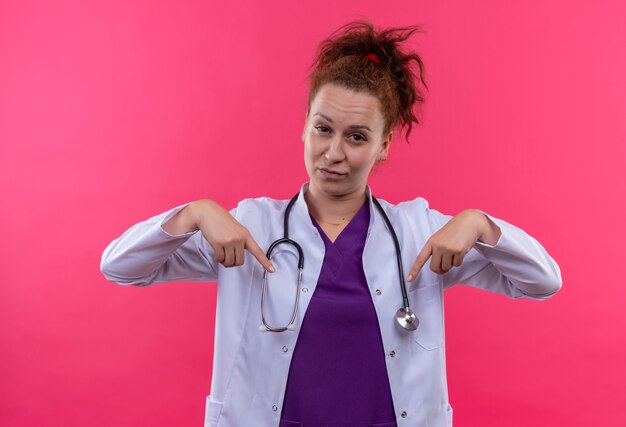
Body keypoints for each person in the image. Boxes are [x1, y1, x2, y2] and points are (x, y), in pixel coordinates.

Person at [100, 20, 562, 427]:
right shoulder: (251, 227)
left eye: (357, 137)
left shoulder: (418, 232)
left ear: (383, 147)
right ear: (304, 125)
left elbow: (542, 282)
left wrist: (480, 223)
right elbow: (120, 267)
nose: (334, 153)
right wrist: (193, 213)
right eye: (323, 128)